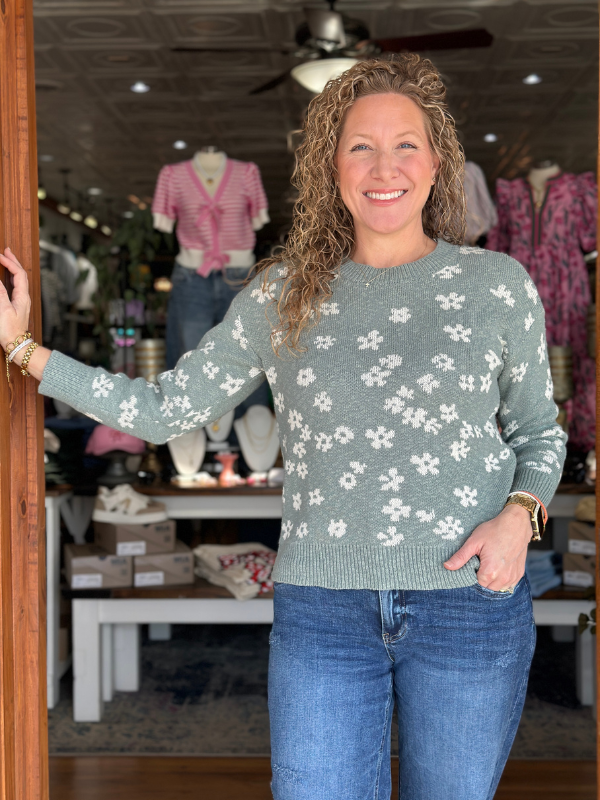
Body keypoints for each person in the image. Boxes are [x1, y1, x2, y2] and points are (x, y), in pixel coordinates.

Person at [0, 55, 566, 800]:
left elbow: (539, 435)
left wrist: (520, 519)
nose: (383, 165)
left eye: (406, 144)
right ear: (331, 165)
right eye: (361, 144)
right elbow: (165, 408)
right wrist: (23, 350)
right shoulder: (281, 293)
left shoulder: (496, 286)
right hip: (324, 610)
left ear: (438, 162)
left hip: (469, 602)